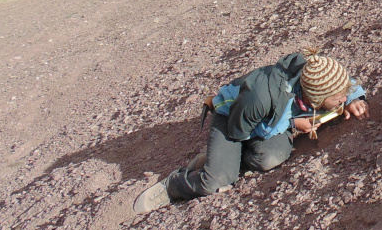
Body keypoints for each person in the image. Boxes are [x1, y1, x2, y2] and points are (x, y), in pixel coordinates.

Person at [134, 52, 367, 213]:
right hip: (234, 117)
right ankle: (174, 185)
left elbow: (343, 82)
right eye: (338, 98)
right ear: (315, 96)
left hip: (272, 120)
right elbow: (239, 131)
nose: (342, 99)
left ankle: (221, 160)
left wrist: (354, 98)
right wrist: (293, 124)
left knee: (269, 158)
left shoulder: (317, 72)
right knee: (215, 182)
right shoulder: (261, 98)